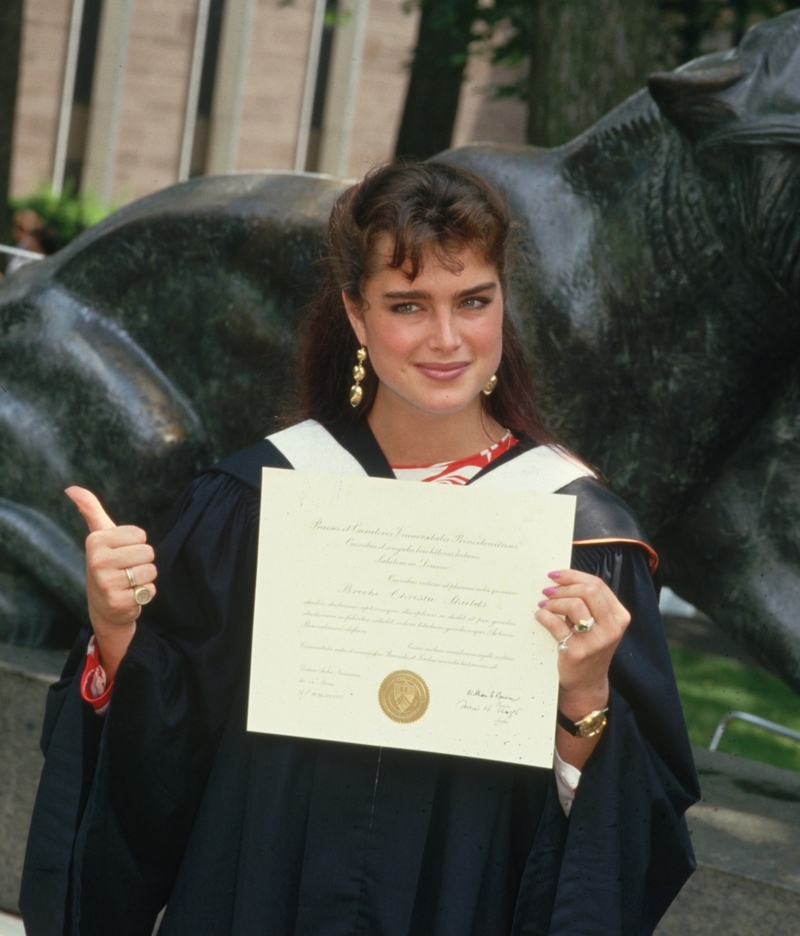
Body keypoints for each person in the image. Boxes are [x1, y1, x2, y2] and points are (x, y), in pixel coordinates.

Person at [21, 162, 699, 935]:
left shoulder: (582, 536)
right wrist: (117, 632)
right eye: (407, 305)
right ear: (355, 313)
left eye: (473, 300)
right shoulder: (258, 500)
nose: (447, 338)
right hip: (256, 900)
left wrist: (583, 704)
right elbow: (165, 766)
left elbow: (631, 838)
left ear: (503, 306)